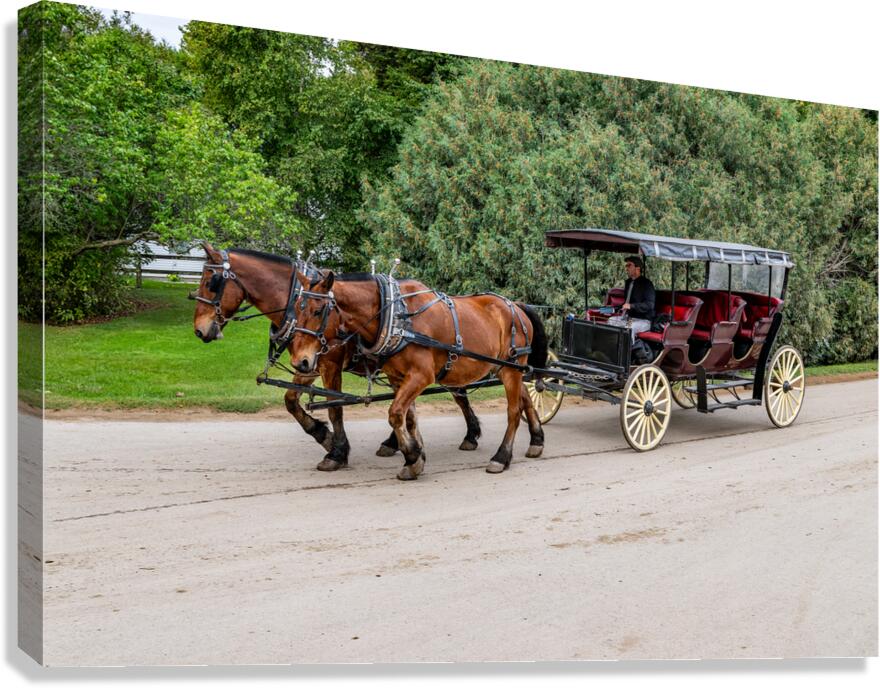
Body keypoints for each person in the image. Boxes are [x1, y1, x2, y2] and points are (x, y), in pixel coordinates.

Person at [607, 255, 655, 343]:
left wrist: (631, 306)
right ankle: (612, 349)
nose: (626, 268)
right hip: (629, 318)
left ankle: (628, 355)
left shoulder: (647, 284)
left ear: (638, 268)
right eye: (626, 265)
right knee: (611, 321)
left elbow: (650, 305)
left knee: (629, 328)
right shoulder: (629, 282)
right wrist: (605, 310)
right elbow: (626, 304)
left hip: (643, 320)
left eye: (629, 265)